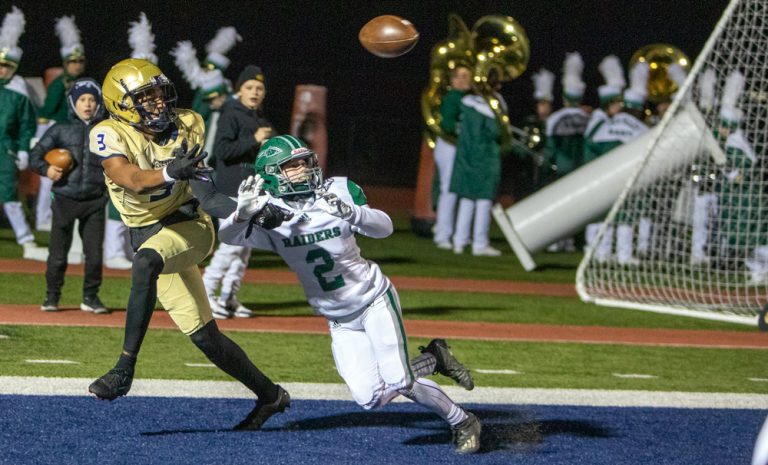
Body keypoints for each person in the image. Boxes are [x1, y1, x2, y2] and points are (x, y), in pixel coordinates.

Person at [217, 134, 482, 453]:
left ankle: (462, 420)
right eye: (292, 166)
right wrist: (242, 214)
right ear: (273, 174)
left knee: (399, 379)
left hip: (373, 299)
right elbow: (230, 237)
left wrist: (353, 213)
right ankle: (433, 358)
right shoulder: (270, 215)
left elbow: (384, 228)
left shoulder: (337, 191)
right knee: (369, 398)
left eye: (305, 162)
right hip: (338, 318)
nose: (304, 169)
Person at [87, 58, 288, 432]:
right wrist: (167, 171)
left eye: (160, 94)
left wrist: (252, 211)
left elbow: (209, 198)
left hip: (189, 226)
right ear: (121, 103)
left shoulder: (188, 124)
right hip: (149, 234)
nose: (158, 103)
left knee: (145, 261)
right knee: (205, 338)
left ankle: (124, 368)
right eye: (146, 97)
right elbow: (128, 177)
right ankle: (270, 395)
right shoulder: (107, 132)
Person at [202, 65, 275, 319]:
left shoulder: (260, 118)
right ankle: (206, 292)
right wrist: (254, 140)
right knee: (232, 245)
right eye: (249, 87)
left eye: (259, 88)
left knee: (244, 248)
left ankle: (228, 297)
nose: (255, 92)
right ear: (239, 90)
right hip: (233, 190)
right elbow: (222, 151)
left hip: (253, 190)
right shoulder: (230, 114)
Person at [30, 78, 109, 313]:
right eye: (82, 99)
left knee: (94, 255)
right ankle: (52, 297)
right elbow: (36, 155)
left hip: (95, 200)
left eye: (92, 99)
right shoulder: (60, 128)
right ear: (74, 102)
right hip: (64, 198)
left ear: (98, 103)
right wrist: (47, 169)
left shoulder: (106, 129)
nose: (87, 104)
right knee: (58, 255)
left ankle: (90, 298)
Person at [0, 6, 48, 261]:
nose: (2, 69)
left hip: (4, 148)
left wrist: (21, 149)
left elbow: (27, 124)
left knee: (8, 195)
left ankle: (27, 242)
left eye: (6, 66)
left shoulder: (19, 92)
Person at [35, 15, 88, 232]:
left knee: (66, 175)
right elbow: (47, 111)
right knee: (50, 175)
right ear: (66, 63)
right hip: (56, 132)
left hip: (72, 133)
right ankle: (42, 218)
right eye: (73, 62)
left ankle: (55, 215)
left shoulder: (80, 83)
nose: (77, 65)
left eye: (79, 61)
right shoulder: (60, 84)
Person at [449, 75, 507, 257]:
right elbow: (497, 133)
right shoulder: (492, 108)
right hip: (485, 159)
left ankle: (459, 241)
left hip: (466, 157)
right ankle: (480, 244)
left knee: (467, 200)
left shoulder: (466, 103)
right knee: (483, 201)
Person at [432, 64, 472, 250]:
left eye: (467, 77)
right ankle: (442, 234)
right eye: (461, 77)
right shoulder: (452, 98)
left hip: (457, 147)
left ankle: (454, 232)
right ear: (453, 80)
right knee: (449, 188)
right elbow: (447, 125)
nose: (465, 81)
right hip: (449, 145)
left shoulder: (467, 98)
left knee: (457, 189)